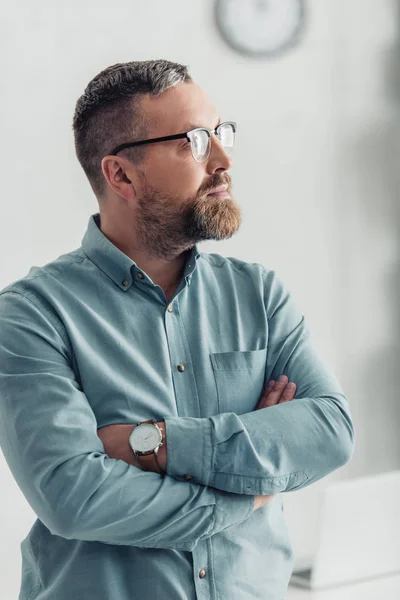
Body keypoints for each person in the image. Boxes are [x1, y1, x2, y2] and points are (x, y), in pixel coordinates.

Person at [0, 59, 355, 600]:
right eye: (193, 141)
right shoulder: (31, 315)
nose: (222, 158)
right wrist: (251, 484)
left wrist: (156, 443)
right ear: (121, 175)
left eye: (219, 132)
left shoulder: (258, 294)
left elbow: (329, 431)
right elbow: (75, 497)